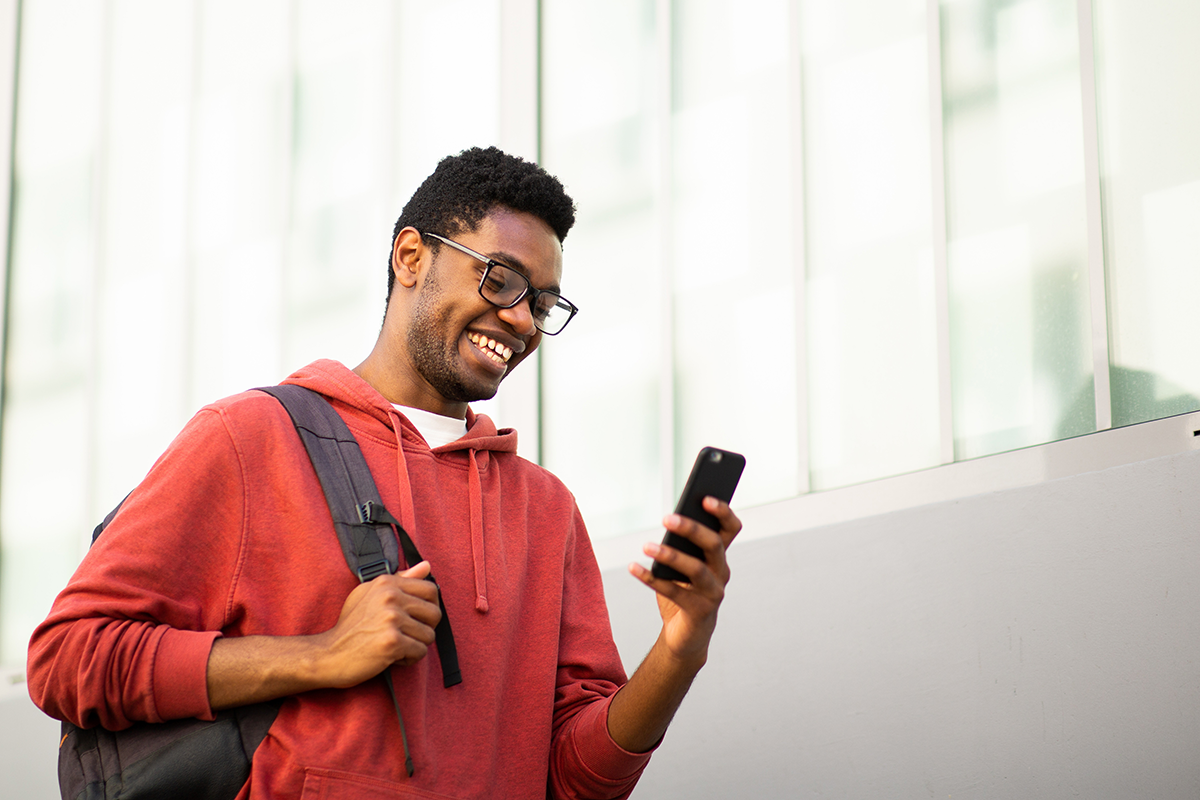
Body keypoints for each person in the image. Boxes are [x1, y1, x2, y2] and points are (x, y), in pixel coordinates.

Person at [27, 146, 741, 799]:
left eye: (543, 304)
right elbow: (66, 658)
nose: (523, 321)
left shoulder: (546, 510)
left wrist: (680, 649)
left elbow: (577, 780)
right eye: (501, 280)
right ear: (410, 257)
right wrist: (321, 655)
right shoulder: (250, 438)